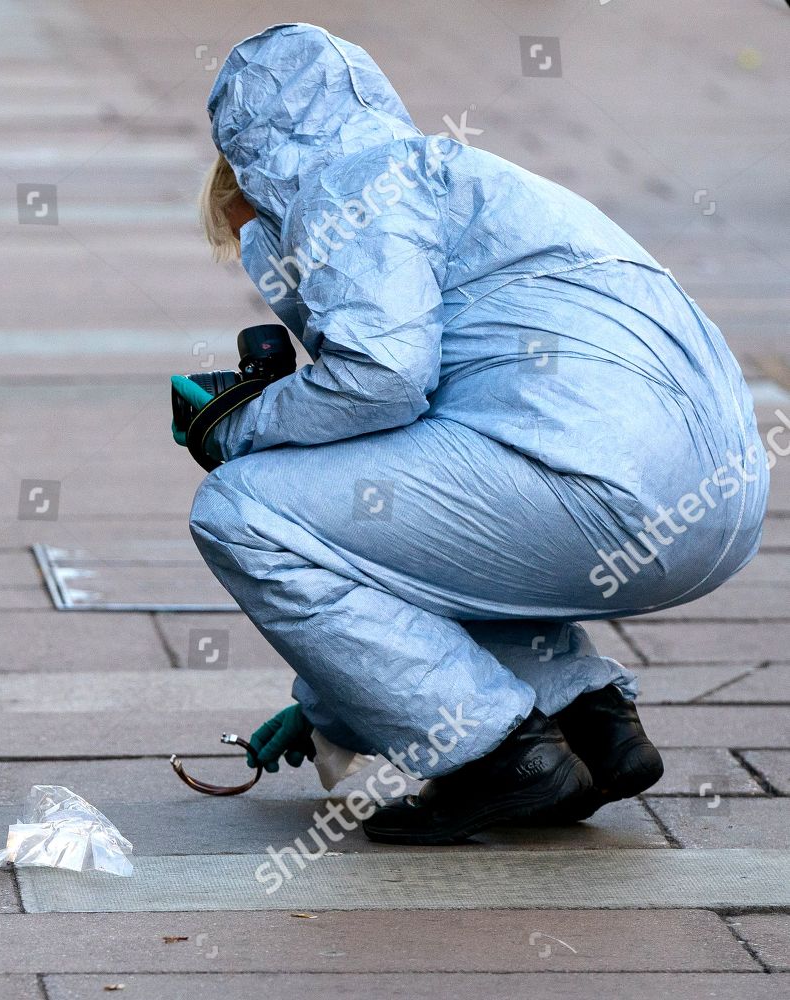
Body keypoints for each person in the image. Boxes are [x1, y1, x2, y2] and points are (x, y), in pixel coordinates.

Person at [174, 24, 768, 844]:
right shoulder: (461, 181)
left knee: (240, 510)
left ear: (256, 171)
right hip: (715, 504)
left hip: (602, 489)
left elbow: (382, 378)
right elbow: (422, 540)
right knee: (410, 497)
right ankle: (592, 723)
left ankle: (500, 758)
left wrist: (241, 427)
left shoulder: (347, 184)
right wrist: (329, 694)